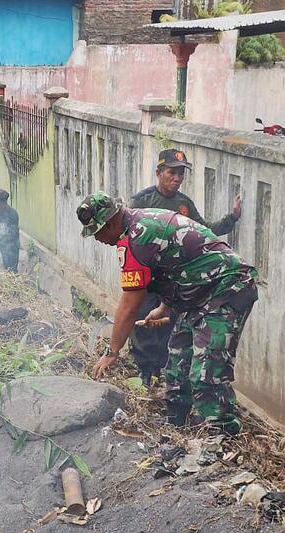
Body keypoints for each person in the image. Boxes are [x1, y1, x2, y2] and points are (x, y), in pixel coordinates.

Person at [78, 191, 257, 435]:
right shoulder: (136, 225)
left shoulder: (138, 238)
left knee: (206, 372)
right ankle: (176, 427)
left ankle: (222, 438)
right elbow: (175, 266)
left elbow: (129, 307)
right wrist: (163, 307)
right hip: (198, 293)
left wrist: (112, 352)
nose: (97, 239)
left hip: (225, 289)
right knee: (176, 365)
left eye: (96, 232)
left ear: (109, 223)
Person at [127, 149, 242, 386]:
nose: (177, 178)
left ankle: (163, 372)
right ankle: (144, 370)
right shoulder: (141, 202)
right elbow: (128, 237)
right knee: (143, 321)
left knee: (169, 325)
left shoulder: (184, 204)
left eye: (181, 173)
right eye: (172, 172)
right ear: (159, 172)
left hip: (176, 280)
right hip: (149, 276)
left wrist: (231, 218)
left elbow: (204, 230)